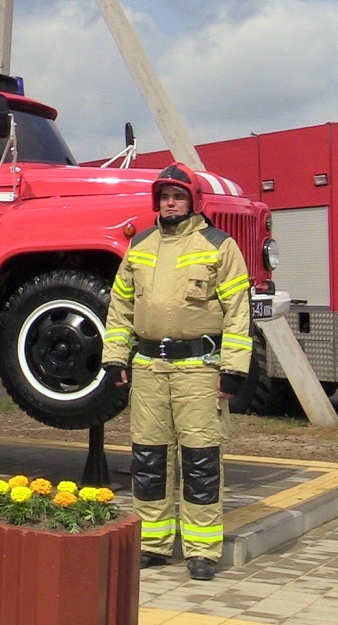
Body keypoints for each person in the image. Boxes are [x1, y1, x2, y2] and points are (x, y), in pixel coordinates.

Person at [101, 162, 252, 582]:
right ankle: (154, 543)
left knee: (200, 460)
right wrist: (116, 357)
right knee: (148, 459)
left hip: (198, 370)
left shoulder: (220, 246)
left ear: (194, 201)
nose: (170, 203)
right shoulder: (141, 246)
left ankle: (202, 550)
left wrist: (233, 369)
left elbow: (238, 315)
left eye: (178, 196)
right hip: (148, 368)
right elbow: (120, 309)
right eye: (164, 197)